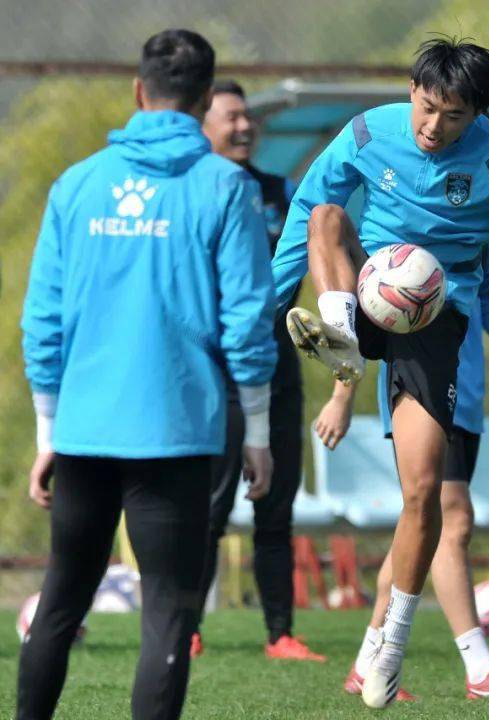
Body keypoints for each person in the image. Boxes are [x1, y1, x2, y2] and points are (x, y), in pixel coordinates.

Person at [270, 37, 489, 709]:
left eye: (453, 116)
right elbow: (307, 212)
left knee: (425, 494)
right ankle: (342, 333)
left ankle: (389, 649)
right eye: (426, 107)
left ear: (477, 115)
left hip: (435, 319)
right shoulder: (368, 132)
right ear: (411, 90)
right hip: (367, 288)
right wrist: (272, 300)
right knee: (326, 215)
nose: (433, 126)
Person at [18, 29, 276, 720]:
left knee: (61, 601)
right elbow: (247, 319)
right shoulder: (226, 187)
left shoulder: (78, 184)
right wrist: (257, 431)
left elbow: (43, 321)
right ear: (205, 100)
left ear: (139, 91)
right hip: (176, 432)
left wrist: (48, 428)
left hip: (85, 430)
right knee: (167, 610)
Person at [317, 238, 489, 700]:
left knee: (420, 530)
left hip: (466, 397)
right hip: (419, 388)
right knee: (453, 518)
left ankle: (366, 661)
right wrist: (342, 395)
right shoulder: (404, 223)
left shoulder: (481, 235)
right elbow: (366, 306)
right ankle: (479, 666)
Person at [191, 79, 323, 662]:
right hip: (214, 373)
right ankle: (186, 626)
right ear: (203, 126)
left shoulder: (280, 193)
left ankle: (280, 634)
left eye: (248, 117)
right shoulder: (193, 191)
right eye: (231, 117)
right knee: (209, 505)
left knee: (277, 503)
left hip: (277, 365)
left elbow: (312, 252)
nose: (244, 126)